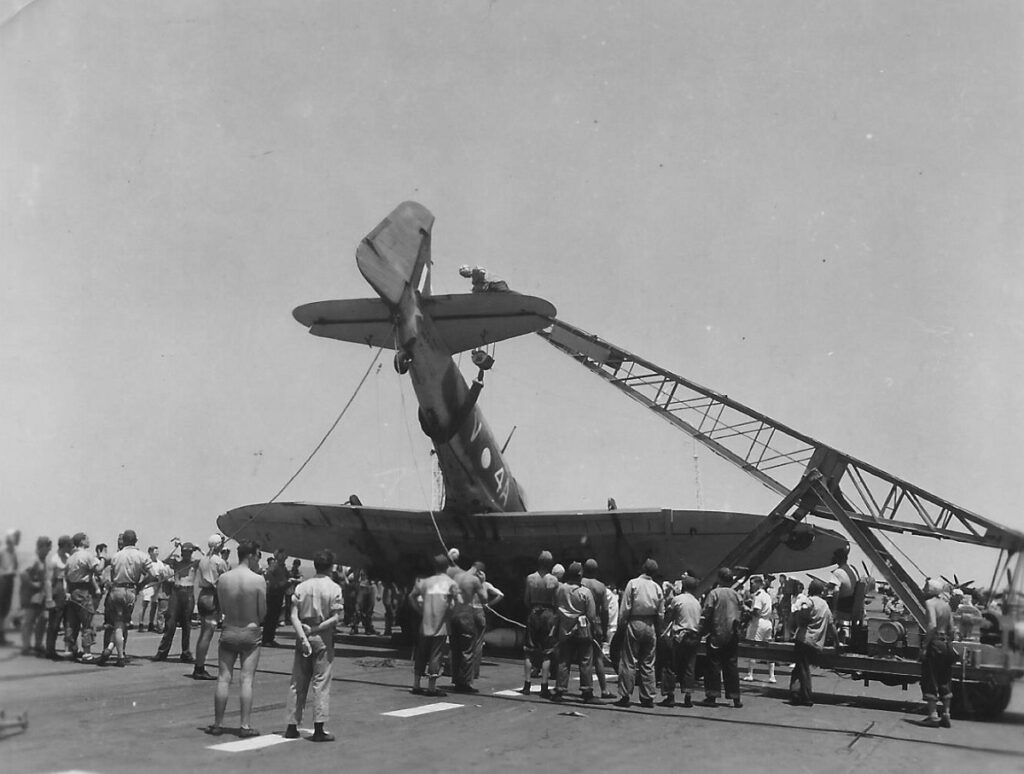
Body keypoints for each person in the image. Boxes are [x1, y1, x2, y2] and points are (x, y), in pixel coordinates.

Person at [206, 540, 266, 738]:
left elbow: (222, 608)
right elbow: (262, 612)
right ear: (250, 556)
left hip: (229, 630)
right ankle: (245, 726)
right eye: (258, 555)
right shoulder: (258, 580)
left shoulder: (224, 579)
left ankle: (217, 724)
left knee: (223, 678)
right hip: (250, 631)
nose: (259, 559)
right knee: (246, 680)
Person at [283, 549, 344, 743]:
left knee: (297, 683)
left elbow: (292, 615)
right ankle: (319, 729)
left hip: (303, 637)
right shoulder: (334, 588)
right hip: (323, 639)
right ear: (331, 567)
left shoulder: (302, 587)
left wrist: (302, 635)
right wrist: (316, 629)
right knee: (321, 683)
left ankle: (291, 726)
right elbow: (336, 617)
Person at [96, 530, 154, 667]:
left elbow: (99, 570)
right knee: (120, 625)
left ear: (124, 541)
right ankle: (120, 656)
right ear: (136, 540)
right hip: (130, 591)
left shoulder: (116, 556)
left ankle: (110, 649)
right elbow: (152, 575)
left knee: (118, 624)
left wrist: (103, 558)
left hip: (115, 590)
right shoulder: (142, 556)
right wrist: (141, 584)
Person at [614, 558, 664, 709]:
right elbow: (661, 613)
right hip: (650, 624)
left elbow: (625, 607)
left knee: (629, 660)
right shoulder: (657, 587)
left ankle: (625, 695)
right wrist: (658, 628)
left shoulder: (633, 583)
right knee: (648, 662)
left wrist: (621, 625)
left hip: (634, 622)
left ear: (643, 568)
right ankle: (648, 697)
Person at [409, 554, 460, 697]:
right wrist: (451, 614)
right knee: (435, 656)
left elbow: (411, 596)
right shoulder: (450, 583)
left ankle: (416, 685)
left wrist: (420, 611)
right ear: (447, 567)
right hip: (441, 625)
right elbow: (458, 601)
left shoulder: (425, 582)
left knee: (421, 654)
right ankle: (431, 688)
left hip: (425, 624)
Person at [551, 562, 598, 703]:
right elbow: (591, 615)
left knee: (564, 660)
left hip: (565, 630)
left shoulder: (560, 589)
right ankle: (586, 690)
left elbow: (555, 605)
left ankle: (560, 689)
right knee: (585, 660)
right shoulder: (585, 592)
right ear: (580, 575)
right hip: (582, 631)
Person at [789, 578, 836, 707]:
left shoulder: (809, 601)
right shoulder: (825, 605)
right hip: (815, 642)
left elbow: (802, 609)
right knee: (800, 667)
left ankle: (805, 696)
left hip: (803, 639)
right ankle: (795, 693)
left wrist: (800, 620)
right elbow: (832, 626)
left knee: (802, 668)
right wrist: (837, 643)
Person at [701, 567, 743, 708]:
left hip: (716, 634)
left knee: (713, 665)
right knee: (731, 665)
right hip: (732, 635)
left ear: (719, 578)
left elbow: (706, 612)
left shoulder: (714, 594)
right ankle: (735, 697)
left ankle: (712, 696)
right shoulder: (737, 595)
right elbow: (743, 611)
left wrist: (702, 630)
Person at [659, 575, 702, 708]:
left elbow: (669, 617)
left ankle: (670, 695)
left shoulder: (677, 599)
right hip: (693, 636)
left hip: (679, 635)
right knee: (689, 666)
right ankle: (688, 697)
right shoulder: (697, 602)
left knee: (670, 665)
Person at [521, 550, 559, 697]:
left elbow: (526, 599)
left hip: (534, 611)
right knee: (547, 652)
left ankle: (527, 684)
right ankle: (544, 685)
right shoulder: (554, 581)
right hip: (548, 613)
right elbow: (556, 601)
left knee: (529, 651)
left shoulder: (530, 578)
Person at [154, 541, 199, 663]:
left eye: (189, 552)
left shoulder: (195, 563)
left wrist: (199, 549)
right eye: (184, 552)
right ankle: (162, 652)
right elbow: (165, 560)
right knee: (170, 623)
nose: (186, 554)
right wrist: (175, 548)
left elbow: (208, 560)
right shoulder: (177, 562)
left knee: (186, 625)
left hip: (188, 592)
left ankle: (185, 652)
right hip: (176, 592)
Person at [920, 578, 956, 727]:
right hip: (946, 644)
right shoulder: (946, 606)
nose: (924, 590)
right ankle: (946, 714)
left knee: (931, 678)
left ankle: (933, 715)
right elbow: (952, 629)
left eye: (926, 587)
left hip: (935, 643)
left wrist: (925, 646)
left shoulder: (930, 604)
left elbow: (932, 625)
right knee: (945, 679)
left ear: (931, 591)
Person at [192, 534, 229, 680]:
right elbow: (224, 582)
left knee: (203, 634)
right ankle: (199, 668)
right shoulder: (219, 562)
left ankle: (199, 666)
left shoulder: (203, 560)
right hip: (213, 598)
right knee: (207, 635)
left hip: (202, 596)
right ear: (220, 545)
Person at [449, 561, 486, 693]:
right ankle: (464, 683)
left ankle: (456, 680)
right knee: (467, 650)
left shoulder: (457, 576)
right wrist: (482, 582)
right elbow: (484, 598)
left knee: (456, 649)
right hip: (466, 615)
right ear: (479, 571)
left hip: (454, 615)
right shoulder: (475, 580)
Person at [64, 532, 102, 659]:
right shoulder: (86, 555)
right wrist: (103, 558)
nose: (89, 540)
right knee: (87, 621)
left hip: (72, 590)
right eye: (87, 539)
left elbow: (66, 577)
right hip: (84, 591)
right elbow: (98, 569)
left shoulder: (71, 557)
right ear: (82, 541)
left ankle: (71, 648)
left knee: (72, 622)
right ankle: (87, 652)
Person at [581, 559, 614, 699]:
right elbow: (605, 610)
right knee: (598, 658)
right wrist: (605, 628)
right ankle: (604, 689)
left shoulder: (579, 582)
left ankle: (585, 687)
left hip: (580, 621)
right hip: (596, 622)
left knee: (584, 657)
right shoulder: (601, 587)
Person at [19, 536, 51, 656]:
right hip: (31, 596)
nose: (48, 551)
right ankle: (26, 646)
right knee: (29, 621)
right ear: (41, 547)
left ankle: (38, 644)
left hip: (40, 596)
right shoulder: (33, 559)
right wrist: (33, 584)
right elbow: (23, 573)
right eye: (47, 548)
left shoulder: (43, 560)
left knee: (43, 619)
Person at [743, 575, 776, 683]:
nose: (751, 586)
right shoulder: (766, 595)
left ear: (758, 584)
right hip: (767, 622)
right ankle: (772, 675)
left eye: (752, 584)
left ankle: (750, 673)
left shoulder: (758, 596)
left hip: (759, 622)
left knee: (753, 647)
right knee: (768, 649)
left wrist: (747, 609)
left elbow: (756, 612)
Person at [44, 535, 73, 659]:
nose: (71, 547)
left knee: (68, 621)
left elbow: (67, 577)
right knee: (54, 623)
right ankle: (50, 650)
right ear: (64, 545)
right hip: (56, 589)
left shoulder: (67, 558)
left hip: (65, 589)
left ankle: (70, 648)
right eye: (69, 545)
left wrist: (68, 592)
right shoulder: (53, 560)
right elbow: (48, 581)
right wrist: (49, 598)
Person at [262, 549, 290, 645]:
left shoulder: (282, 567)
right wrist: (284, 583)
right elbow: (269, 578)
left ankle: (270, 638)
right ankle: (266, 639)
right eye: (284, 555)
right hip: (273, 594)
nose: (286, 557)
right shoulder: (275, 566)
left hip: (279, 594)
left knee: (274, 617)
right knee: (270, 617)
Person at [0, 530, 21, 645]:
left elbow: (16, 566)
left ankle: (1, 637)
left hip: (9, 581)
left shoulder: (13, 552)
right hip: (3, 581)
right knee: (1, 610)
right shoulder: (3, 552)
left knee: (4, 610)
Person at [354, 568, 378, 635]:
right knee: (358, 609)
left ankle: (369, 628)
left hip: (372, 587)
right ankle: (354, 627)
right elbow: (356, 576)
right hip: (362, 587)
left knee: (369, 609)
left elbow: (378, 578)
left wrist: (378, 591)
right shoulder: (361, 564)